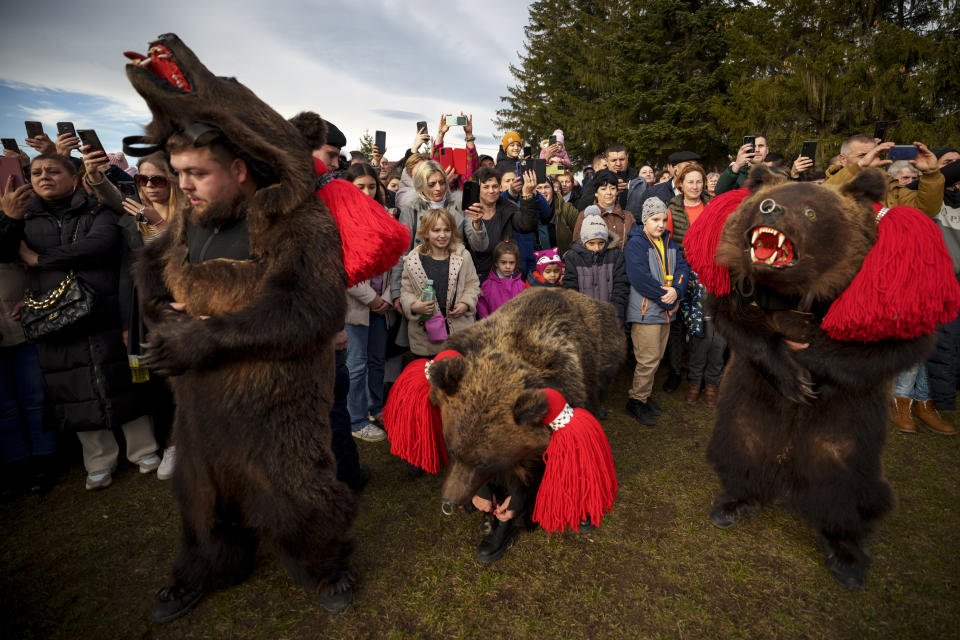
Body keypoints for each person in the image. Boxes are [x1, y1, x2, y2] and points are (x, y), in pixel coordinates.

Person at [0, 154, 158, 490]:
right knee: (71, 387)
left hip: (106, 308)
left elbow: (98, 247)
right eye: (37, 172)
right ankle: (99, 461)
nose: (44, 177)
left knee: (125, 377)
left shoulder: (96, 210)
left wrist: (38, 259)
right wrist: (10, 220)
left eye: (54, 171)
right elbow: (3, 252)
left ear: (74, 177)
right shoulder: (23, 217)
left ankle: (144, 450)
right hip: (54, 314)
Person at [623, 198, 690, 426]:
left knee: (657, 357)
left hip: (666, 310)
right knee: (648, 359)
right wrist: (667, 298)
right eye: (655, 220)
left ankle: (644, 395)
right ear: (645, 220)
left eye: (664, 220)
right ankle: (636, 402)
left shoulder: (669, 242)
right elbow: (640, 278)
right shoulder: (636, 243)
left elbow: (682, 268)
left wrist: (678, 291)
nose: (661, 225)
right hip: (646, 311)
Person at [343, 164, 394, 442]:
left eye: (371, 186)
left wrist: (385, 296)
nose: (366, 192)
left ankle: (377, 407)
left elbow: (393, 257)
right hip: (356, 304)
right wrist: (372, 298)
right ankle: (357, 418)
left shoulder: (384, 216)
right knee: (357, 363)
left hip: (380, 301)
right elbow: (346, 268)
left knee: (376, 360)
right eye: (359, 186)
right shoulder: (343, 219)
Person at [0, 261, 55, 497]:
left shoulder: (8, 232)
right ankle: (18, 468)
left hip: (25, 330)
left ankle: (45, 462)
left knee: (36, 400)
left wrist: (33, 299)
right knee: (5, 409)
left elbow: (38, 269)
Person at [400, 208, 480, 357]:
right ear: (425, 233)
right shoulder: (413, 260)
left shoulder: (462, 255)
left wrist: (465, 303)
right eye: (436, 230)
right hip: (425, 337)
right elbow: (406, 291)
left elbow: (472, 284)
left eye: (447, 230)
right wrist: (414, 306)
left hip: (460, 332)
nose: (442, 235)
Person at [824, 136, 944, 217]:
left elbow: (926, 211)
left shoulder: (890, 186)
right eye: (863, 156)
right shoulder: (831, 182)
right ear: (843, 159)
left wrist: (931, 174)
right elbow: (824, 200)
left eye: (875, 154)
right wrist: (860, 166)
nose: (870, 159)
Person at [461, 166, 539, 281]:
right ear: (478, 189)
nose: (491, 191)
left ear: (500, 188)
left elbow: (526, 225)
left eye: (495, 186)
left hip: (504, 275)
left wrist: (527, 196)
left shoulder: (508, 207)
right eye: (486, 187)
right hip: (477, 277)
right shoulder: (469, 211)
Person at [562, 213, 629, 327]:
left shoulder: (615, 255)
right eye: (591, 243)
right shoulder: (573, 257)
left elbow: (621, 286)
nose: (597, 248)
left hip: (612, 320)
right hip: (584, 321)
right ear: (583, 242)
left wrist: (614, 313)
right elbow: (571, 288)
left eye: (601, 243)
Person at [497, 169, 554, 276]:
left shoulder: (526, 198)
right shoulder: (499, 201)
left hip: (531, 255)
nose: (512, 183)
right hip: (509, 260)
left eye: (515, 180)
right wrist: (511, 192)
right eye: (508, 181)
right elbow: (500, 203)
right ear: (500, 186)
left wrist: (534, 192)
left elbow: (546, 211)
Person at [572, 171, 633, 251]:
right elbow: (577, 246)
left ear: (617, 192)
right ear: (596, 193)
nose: (608, 193)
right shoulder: (585, 215)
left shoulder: (628, 216)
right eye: (603, 189)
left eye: (613, 188)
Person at [576, 142, 637, 211]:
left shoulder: (637, 176)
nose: (618, 164)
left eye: (622, 159)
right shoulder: (597, 178)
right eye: (613, 160)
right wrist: (605, 193)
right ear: (607, 161)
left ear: (627, 158)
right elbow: (582, 206)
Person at [430, 113, 480, 190]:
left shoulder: (463, 185)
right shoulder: (436, 189)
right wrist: (440, 134)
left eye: (455, 167)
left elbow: (471, 163)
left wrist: (469, 134)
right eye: (450, 167)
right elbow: (435, 162)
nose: (453, 172)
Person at [477, 240, 525, 319]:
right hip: (494, 328)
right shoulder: (487, 285)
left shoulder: (521, 285)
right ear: (496, 263)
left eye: (511, 263)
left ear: (516, 263)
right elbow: (482, 310)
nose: (508, 266)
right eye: (503, 262)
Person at [538, 178, 580, 255]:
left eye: (546, 187)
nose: (543, 191)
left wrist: (571, 253)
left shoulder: (567, 209)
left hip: (564, 261)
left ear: (552, 190)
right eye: (539, 188)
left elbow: (579, 236)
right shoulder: (529, 212)